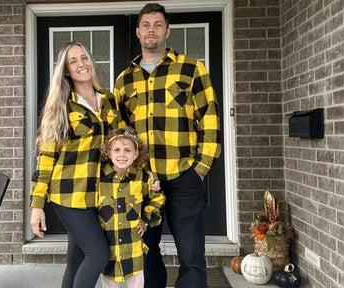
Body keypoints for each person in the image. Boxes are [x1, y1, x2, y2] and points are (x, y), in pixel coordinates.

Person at [113, 3, 221, 288]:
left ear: (167, 31)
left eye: (158, 25)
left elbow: (209, 119)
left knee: (191, 256)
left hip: (183, 176)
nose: (152, 30)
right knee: (146, 255)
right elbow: (119, 133)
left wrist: (200, 169)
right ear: (138, 32)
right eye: (146, 25)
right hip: (143, 181)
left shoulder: (191, 69)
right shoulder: (124, 80)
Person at [29, 42, 125, 288]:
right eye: (73, 61)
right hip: (68, 194)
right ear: (66, 71)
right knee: (98, 255)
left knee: (77, 258)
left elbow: (122, 145)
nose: (81, 64)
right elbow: (46, 156)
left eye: (84, 58)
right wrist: (37, 205)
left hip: (98, 194)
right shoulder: (61, 106)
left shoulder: (110, 101)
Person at [98, 127, 165, 288]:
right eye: (117, 150)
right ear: (108, 152)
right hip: (108, 248)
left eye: (128, 150)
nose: (122, 154)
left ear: (135, 154)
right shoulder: (98, 179)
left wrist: (146, 222)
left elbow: (157, 200)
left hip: (133, 249)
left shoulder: (142, 177)